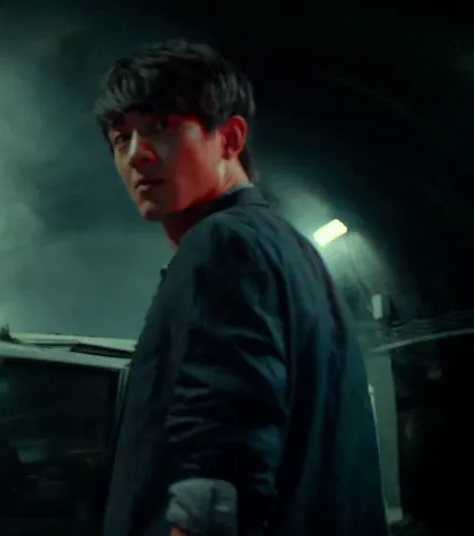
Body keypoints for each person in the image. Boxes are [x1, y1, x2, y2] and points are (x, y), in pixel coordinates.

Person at [93, 40, 388, 536]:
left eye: (161, 127)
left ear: (229, 138)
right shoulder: (291, 249)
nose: (137, 155)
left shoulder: (224, 244)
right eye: (121, 138)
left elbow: (222, 462)